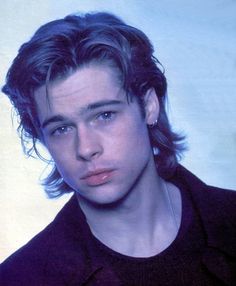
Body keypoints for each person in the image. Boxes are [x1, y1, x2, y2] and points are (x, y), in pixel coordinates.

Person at [0, 12, 235, 286]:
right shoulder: (21, 279)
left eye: (105, 115)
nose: (86, 148)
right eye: (61, 129)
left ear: (149, 105)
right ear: (42, 138)